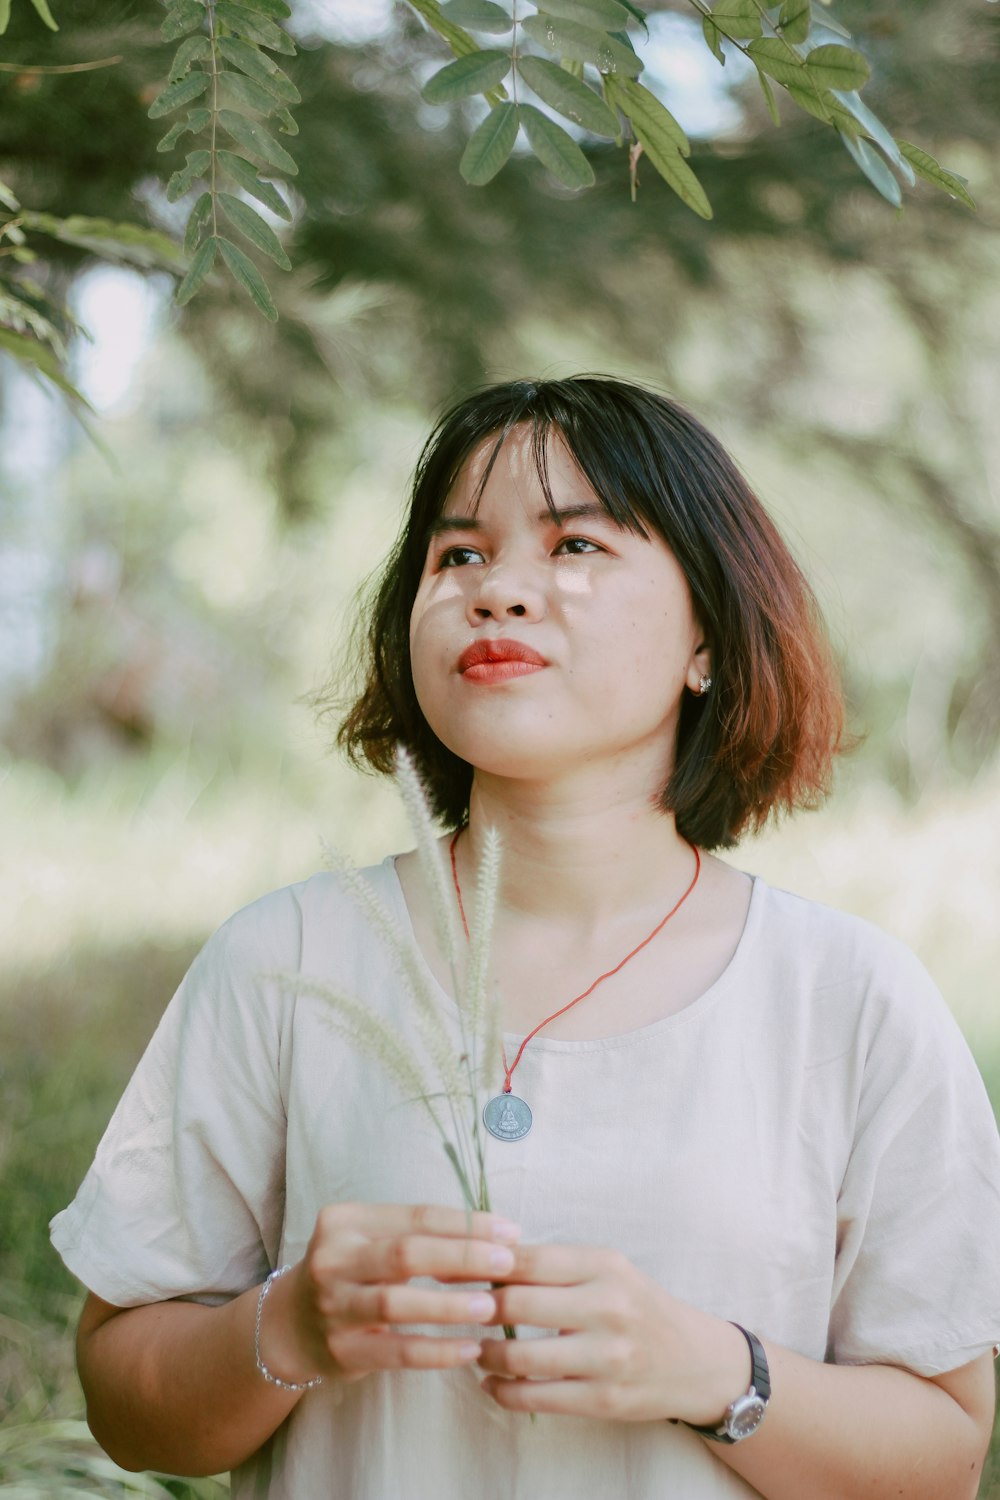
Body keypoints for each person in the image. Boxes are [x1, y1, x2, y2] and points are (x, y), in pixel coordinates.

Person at [51, 376, 1000, 1500]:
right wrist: (289, 1321)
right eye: (455, 557)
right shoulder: (286, 960)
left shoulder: (851, 997)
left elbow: (943, 1455)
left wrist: (711, 1370)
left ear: (708, 633)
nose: (497, 590)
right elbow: (125, 1403)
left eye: (575, 546)